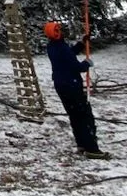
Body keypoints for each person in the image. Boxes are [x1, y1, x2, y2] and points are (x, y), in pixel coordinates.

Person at [44, 21, 110, 160]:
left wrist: (81, 43)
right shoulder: (61, 47)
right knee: (84, 116)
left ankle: (82, 144)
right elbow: (76, 67)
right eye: (57, 30)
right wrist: (86, 64)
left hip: (61, 85)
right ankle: (92, 149)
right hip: (71, 86)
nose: (60, 32)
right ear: (55, 33)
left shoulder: (52, 46)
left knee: (74, 115)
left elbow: (70, 54)